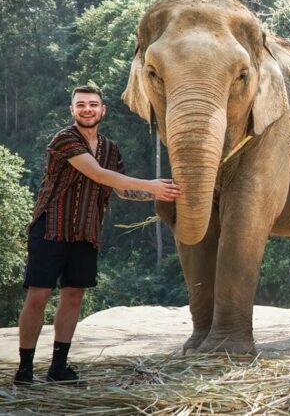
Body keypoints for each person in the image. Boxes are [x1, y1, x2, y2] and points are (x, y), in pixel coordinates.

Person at [13, 86, 181, 386]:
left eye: (93, 104)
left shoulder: (110, 148)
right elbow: (99, 175)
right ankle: (24, 370)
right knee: (38, 296)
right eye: (81, 105)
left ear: (103, 110)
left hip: (86, 232)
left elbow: (122, 189)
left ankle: (58, 368)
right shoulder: (64, 139)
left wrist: (165, 192)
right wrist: (153, 185)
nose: (87, 109)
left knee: (74, 296)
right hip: (51, 228)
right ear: (72, 110)